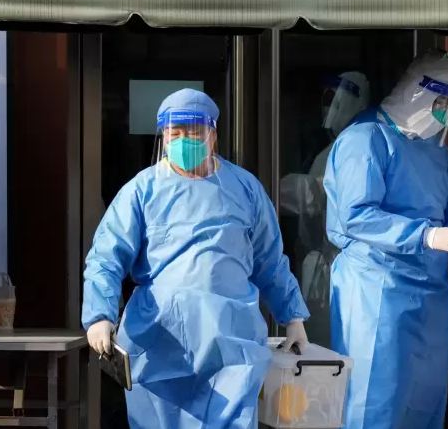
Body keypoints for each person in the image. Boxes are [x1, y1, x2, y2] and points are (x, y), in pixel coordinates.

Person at [82, 89, 310, 429]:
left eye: (192, 131)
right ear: (163, 137)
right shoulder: (142, 191)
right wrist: (100, 315)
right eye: (174, 133)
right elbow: (106, 257)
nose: (183, 140)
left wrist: (292, 317)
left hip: (232, 342)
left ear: (212, 135)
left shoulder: (245, 189)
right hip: (160, 341)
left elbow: (270, 259)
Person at [324, 49, 448, 429]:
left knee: (424, 400)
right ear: (417, 93)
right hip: (377, 288)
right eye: (440, 102)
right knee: (374, 399)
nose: (445, 113)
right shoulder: (365, 139)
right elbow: (357, 215)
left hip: (431, 294)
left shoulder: (437, 151)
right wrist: (426, 235)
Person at [280, 72, 371, 345]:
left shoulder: (355, 149)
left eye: (336, 99)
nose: (329, 107)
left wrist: (270, 189)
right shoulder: (330, 151)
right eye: (327, 98)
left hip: (340, 265)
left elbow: (317, 196)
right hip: (323, 266)